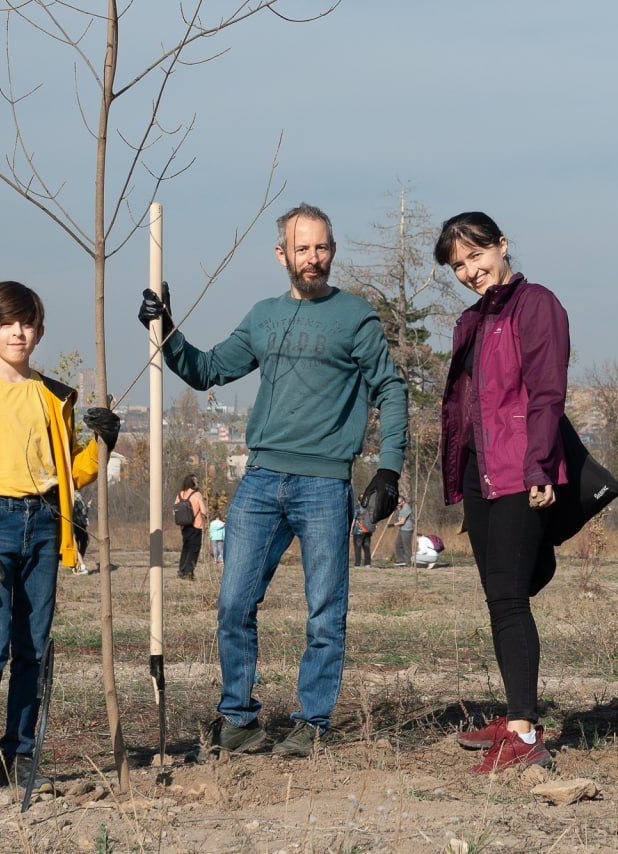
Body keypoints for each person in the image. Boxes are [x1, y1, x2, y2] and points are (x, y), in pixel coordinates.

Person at [138, 202, 407, 759]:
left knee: (325, 609)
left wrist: (389, 468)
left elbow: (392, 390)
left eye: (322, 247)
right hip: (261, 480)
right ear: (281, 254)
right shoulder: (263, 316)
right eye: (302, 248)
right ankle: (239, 720)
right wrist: (166, 329)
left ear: (333, 250)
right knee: (234, 602)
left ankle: (312, 723)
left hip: (324, 484)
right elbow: (208, 369)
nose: (314, 258)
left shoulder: (355, 317)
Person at [0, 280, 118, 793]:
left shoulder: (55, 395)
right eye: (7, 323)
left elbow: (66, 472)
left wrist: (103, 443)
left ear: (39, 331)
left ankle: (18, 760)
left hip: (44, 525)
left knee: (33, 649)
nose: (19, 331)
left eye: (28, 322)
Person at [435, 211, 565, 774]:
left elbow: (546, 392)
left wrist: (539, 468)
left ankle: (524, 732)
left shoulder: (536, 304)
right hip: (480, 474)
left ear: (502, 245)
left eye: (476, 255)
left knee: (510, 597)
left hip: (520, 471)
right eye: (459, 265)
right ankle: (517, 711)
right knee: (499, 597)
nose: (470, 270)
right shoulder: (470, 320)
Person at [173, 474, 208, 580]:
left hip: (184, 527)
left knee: (186, 548)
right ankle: (189, 572)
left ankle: (181, 570)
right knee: (194, 549)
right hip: (196, 525)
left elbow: (174, 511)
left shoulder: (180, 494)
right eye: (197, 482)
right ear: (193, 483)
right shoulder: (197, 495)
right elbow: (204, 511)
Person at [390, 495, 414, 566]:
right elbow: (400, 516)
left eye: (399, 503)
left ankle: (408, 562)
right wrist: (398, 509)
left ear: (403, 501)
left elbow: (402, 521)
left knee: (406, 546)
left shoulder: (406, 508)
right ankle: (400, 560)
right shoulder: (402, 507)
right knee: (398, 544)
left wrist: (393, 525)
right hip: (402, 529)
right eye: (397, 503)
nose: (398, 504)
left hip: (407, 530)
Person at [70, 492, 91, 574]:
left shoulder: (75, 498)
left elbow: (83, 512)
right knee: (81, 544)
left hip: (77, 524)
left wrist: (88, 506)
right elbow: (83, 512)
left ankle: (78, 564)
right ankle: (80, 565)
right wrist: (87, 506)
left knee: (80, 544)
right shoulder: (76, 498)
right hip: (78, 525)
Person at [351, 500, 375, 568]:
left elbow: (353, 519)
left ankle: (357, 564)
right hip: (368, 531)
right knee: (367, 546)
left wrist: (351, 530)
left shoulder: (357, 508)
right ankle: (367, 563)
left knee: (358, 547)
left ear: (359, 501)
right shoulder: (370, 508)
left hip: (358, 530)